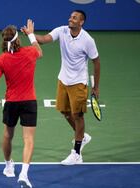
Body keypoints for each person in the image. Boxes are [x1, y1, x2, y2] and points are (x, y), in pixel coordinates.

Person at [0, 19, 42, 188]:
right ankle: (24, 173)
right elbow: (40, 51)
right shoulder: (30, 52)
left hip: (12, 103)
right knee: (28, 139)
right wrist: (31, 34)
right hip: (29, 102)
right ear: (18, 39)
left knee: (8, 135)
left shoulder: (0, 60)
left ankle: (9, 166)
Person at [34, 10, 101, 165]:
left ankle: (77, 154)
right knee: (65, 111)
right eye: (71, 17)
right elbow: (44, 39)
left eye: (74, 18)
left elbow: (96, 62)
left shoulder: (88, 40)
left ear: (81, 22)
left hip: (78, 83)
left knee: (78, 116)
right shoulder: (62, 31)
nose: (70, 19)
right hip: (63, 80)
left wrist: (96, 87)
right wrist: (31, 35)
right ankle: (82, 136)